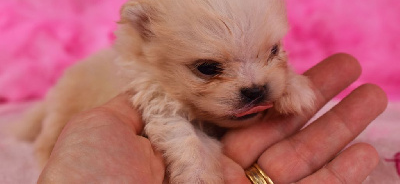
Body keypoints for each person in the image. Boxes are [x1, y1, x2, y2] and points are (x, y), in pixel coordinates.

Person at [38, 54, 387, 183]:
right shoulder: (137, 81)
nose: (254, 84)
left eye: (272, 51)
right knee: (56, 125)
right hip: (76, 99)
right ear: (145, 36)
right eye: (209, 68)